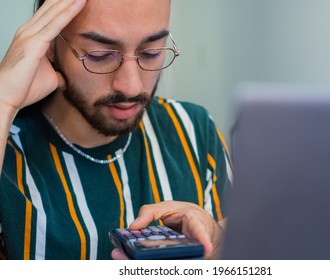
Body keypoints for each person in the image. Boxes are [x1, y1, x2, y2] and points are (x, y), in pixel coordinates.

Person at [0, 0, 232, 260]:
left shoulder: (194, 130)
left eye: (152, 52)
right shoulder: (8, 145)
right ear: (51, 45)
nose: (131, 87)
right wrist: (3, 100)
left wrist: (218, 250)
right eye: (100, 55)